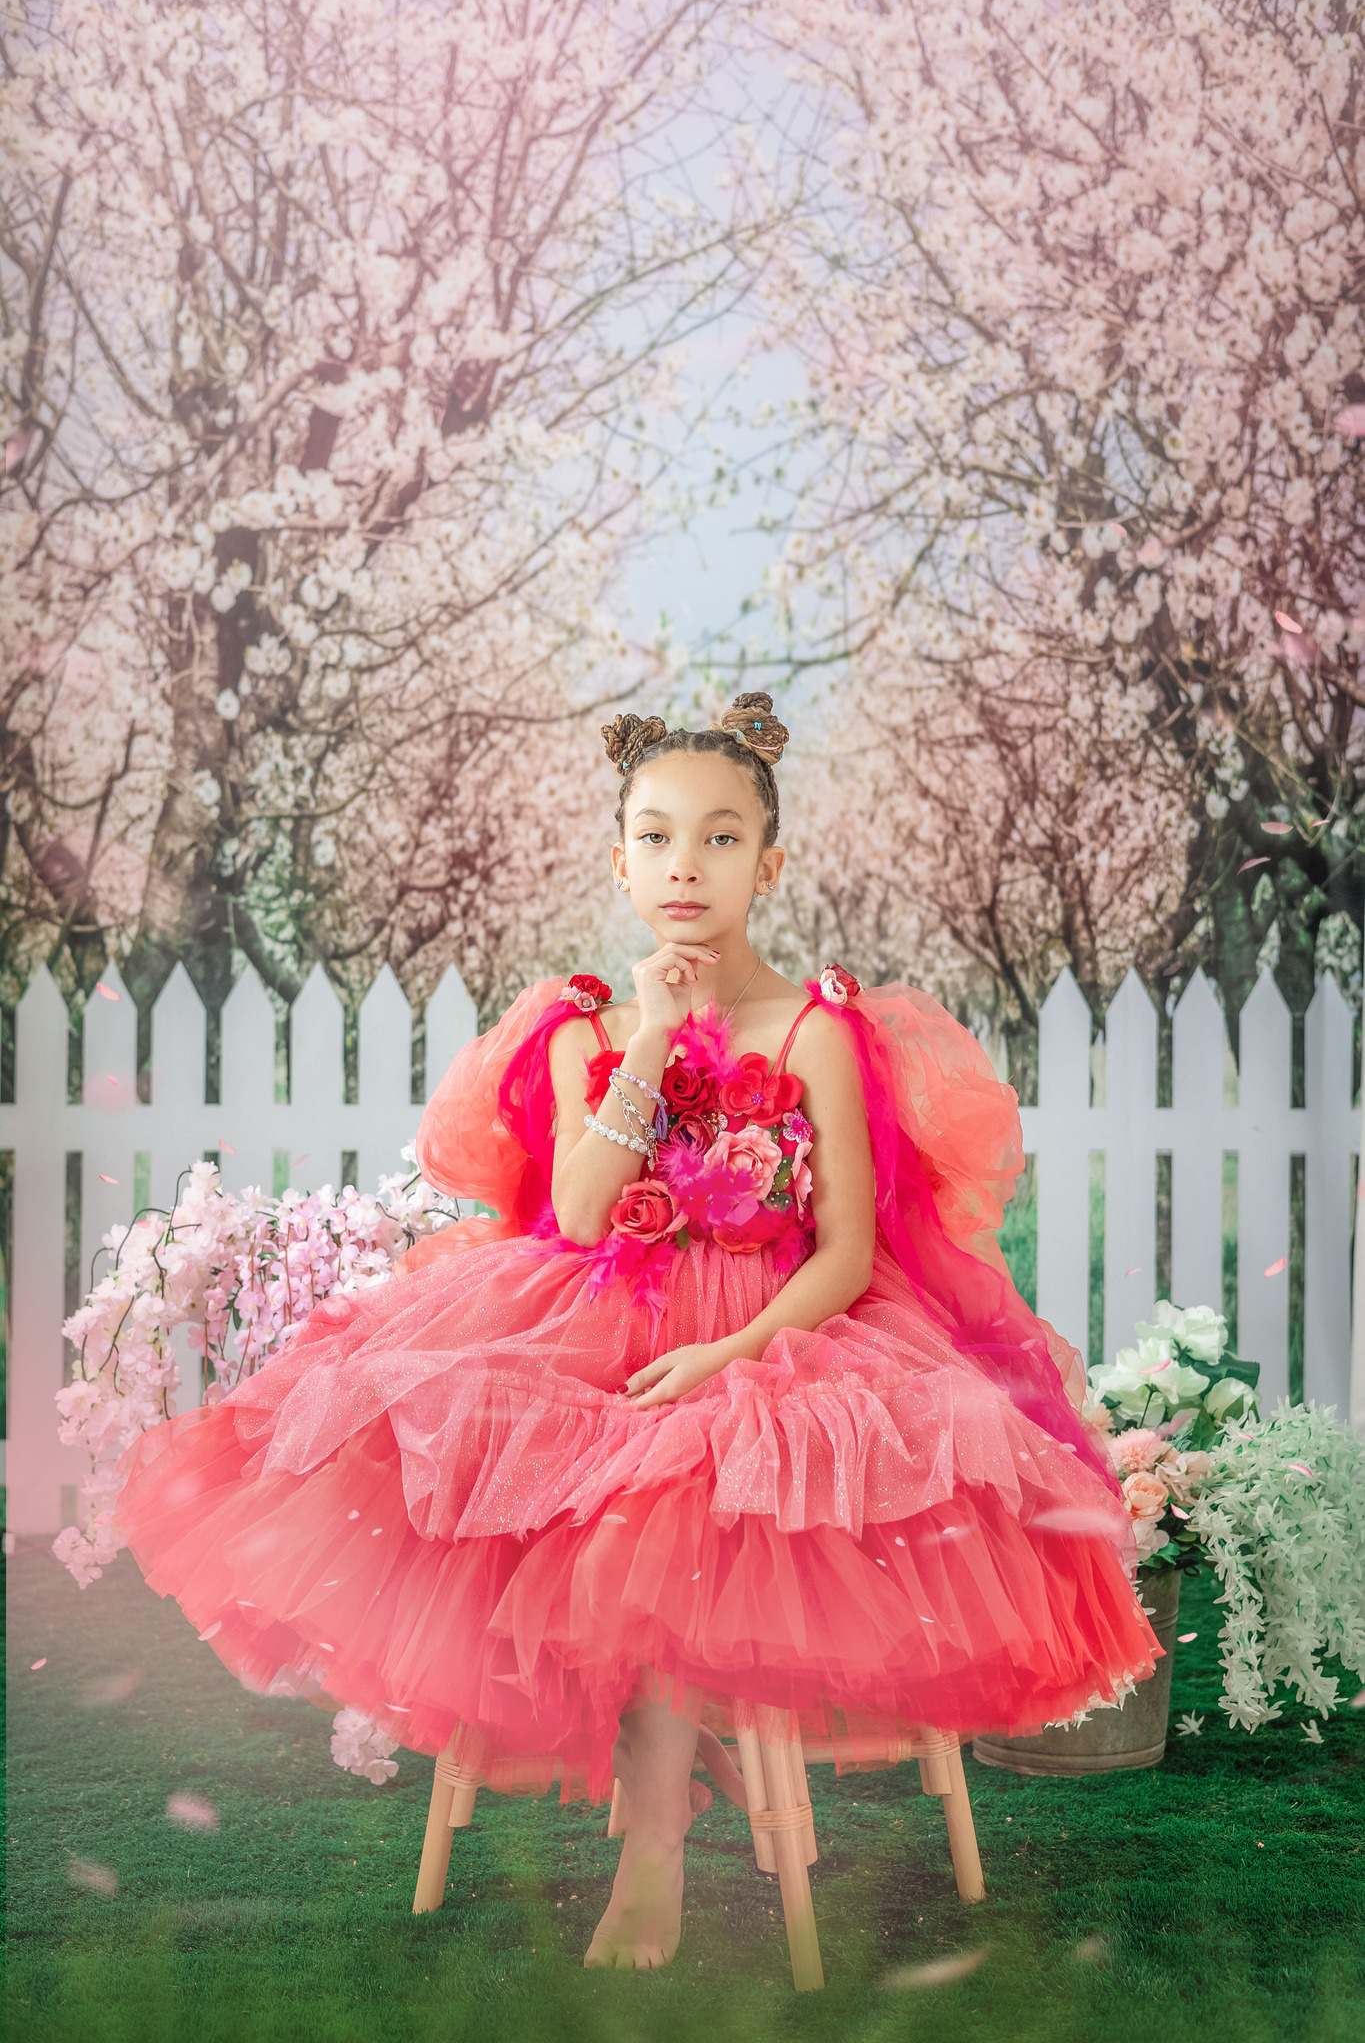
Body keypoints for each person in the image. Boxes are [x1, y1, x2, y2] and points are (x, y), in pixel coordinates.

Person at [112, 691, 1163, 1972]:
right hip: (601, 1310)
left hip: (778, 1325)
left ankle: (656, 1836)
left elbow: (843, 1250)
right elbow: (576, 1209)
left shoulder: (820, 1029)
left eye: (720, 839)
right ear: (620, 859)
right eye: (656, 838)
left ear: (767, 864)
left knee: (682, 1485)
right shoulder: (591, 1029)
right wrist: (656, 1041)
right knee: (528, 1457)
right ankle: (665, 1770)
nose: (685, 865)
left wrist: (734, 1353)